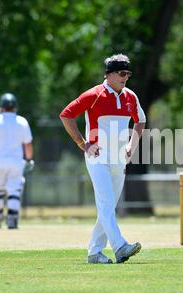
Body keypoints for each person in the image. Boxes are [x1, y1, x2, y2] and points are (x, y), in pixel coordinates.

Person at [59, 53, 146, 264]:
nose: (126, 77)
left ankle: (94, 252)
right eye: (122, 73)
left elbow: (140, 121)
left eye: (128, 73)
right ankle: (120, 247)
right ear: (109, 74)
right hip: (97, 156)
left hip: (119, 158)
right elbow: (66, 115)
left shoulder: (130, 96)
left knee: (107, 207)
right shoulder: (94, 94)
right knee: (106, 203)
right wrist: (83, 143)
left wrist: (131, 146)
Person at [0, 93, 35, 229]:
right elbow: (28, 145)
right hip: (16, 162)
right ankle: (12, 219)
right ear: (15, 107)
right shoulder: (22, 121)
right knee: (14, 190)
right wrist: (28, 159)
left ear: (1, 107)